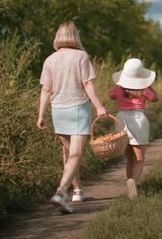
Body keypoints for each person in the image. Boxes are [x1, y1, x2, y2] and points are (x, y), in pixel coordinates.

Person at [37, 22, 107, 213]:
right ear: (75, 36)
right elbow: (87, 84)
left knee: (68, 155)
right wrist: (99, 107)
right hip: (77, 108)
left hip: (57, 110)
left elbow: (46, 89)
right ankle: (61, 192)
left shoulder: (50, 59)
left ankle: (77, 191)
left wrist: (41, 115)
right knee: (75, 154)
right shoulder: (81, 56)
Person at [109, 58, 158, 199]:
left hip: (121, 121)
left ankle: (130, 182)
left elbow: (110, 96)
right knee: (139, 158)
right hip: (138, 120)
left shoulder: (119, 88)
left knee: (129, 158)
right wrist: (149, 85)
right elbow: (155, 98)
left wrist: (119, 85)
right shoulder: (144, 89)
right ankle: (134, 181)